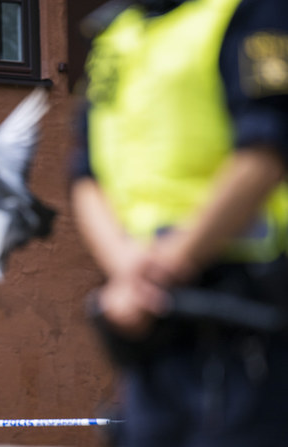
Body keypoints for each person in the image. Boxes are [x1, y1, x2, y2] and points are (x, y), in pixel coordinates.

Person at [68, 0, 288, 446]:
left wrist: (166, 263)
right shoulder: (114, 39)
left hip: (248, 317)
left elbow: (267, 147)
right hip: (152, 325)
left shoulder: (252, 12)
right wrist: (126, 270)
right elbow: (85, 174)